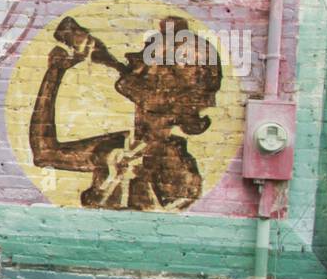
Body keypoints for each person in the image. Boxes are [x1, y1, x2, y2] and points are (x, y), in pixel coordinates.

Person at [28, 15, 222, 211]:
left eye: (148, 58)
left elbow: (162, 220)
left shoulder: (175, 165)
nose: (130, 57)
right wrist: (55, 72)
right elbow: (45, 154)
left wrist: (130, 178)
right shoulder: (124, 146)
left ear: (167, 92)